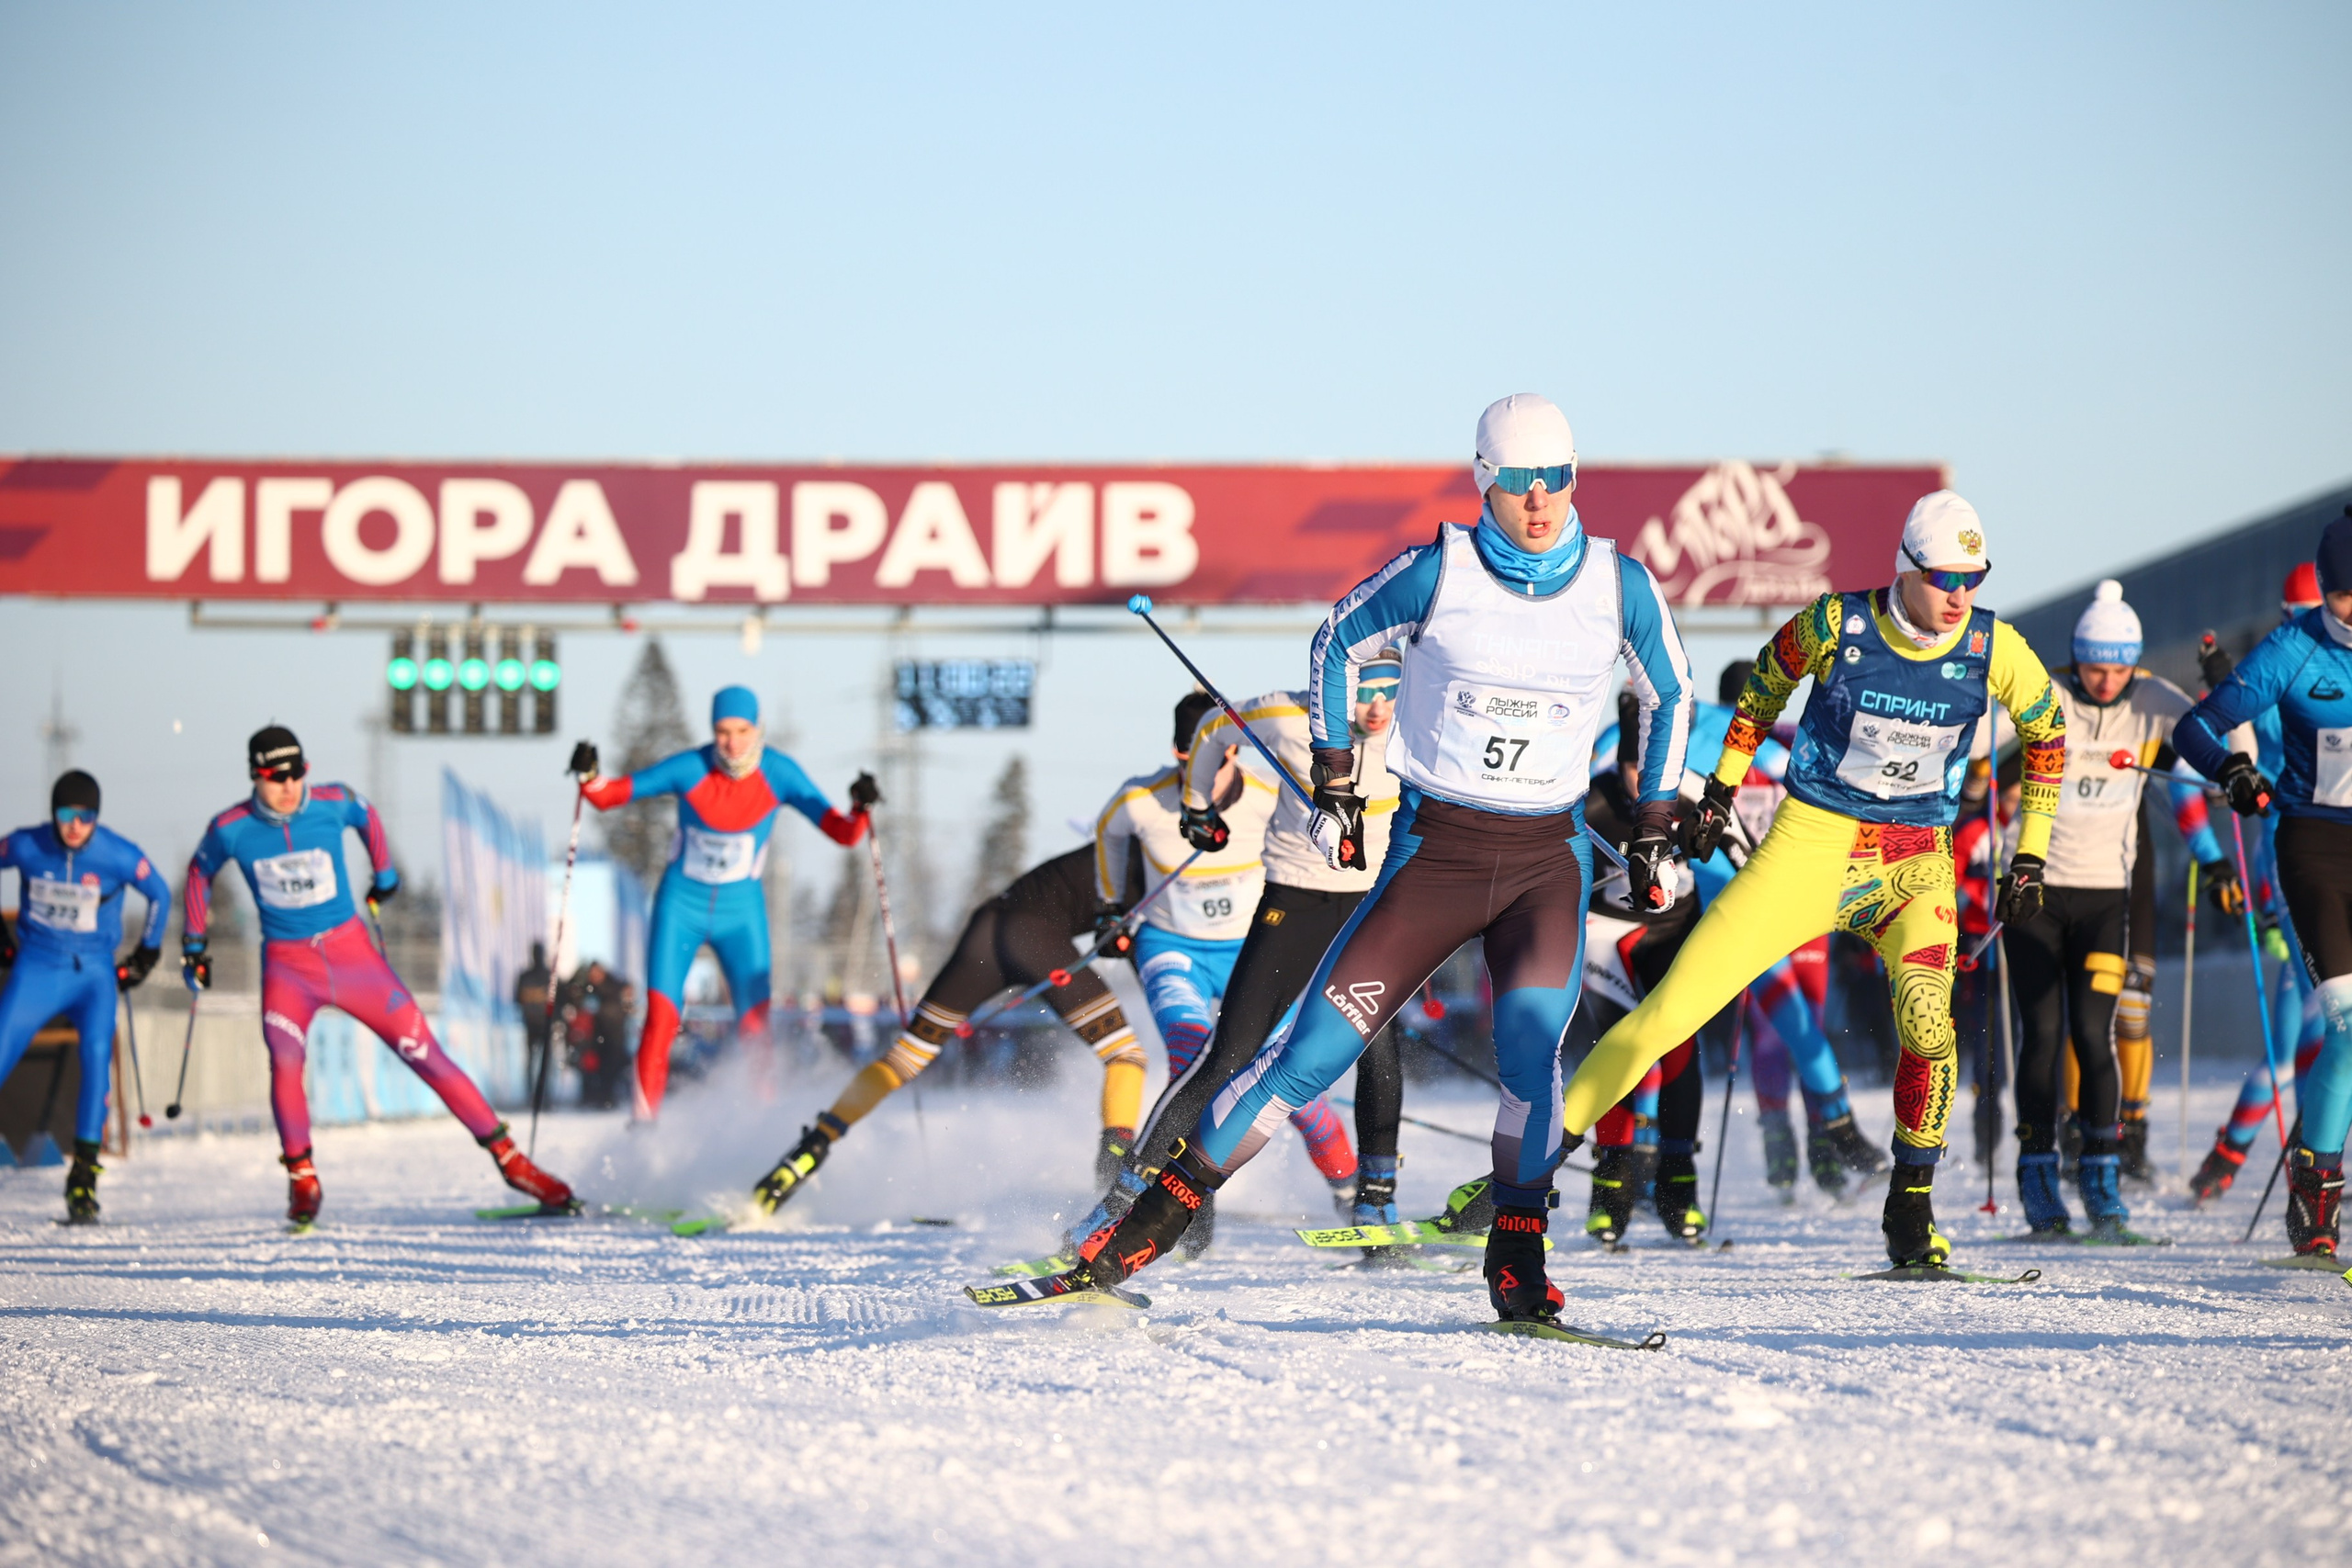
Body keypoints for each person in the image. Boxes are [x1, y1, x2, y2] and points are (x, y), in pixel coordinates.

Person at [1054, 393, 1693, 1325]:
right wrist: (1336, 780)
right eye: (1519, 482)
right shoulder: (1440, 569)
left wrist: (1653, 821)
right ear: (1485, 479)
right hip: (1438, 854)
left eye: (1556, 478)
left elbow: (1669, 693)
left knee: (1531, 1059)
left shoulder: (1617, 583)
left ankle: (1517, 1256)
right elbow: (1336, 641)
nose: (1540, 500)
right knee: (1305, 1057)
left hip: (1542, 866)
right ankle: (1147, 1222)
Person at [1559, 491, 2067, 1270]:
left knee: (1930, 1023)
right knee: (1669, 1012)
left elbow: (2048, 730)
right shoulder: (1839, 623)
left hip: (1912, 860)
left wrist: (2029, 854)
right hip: (1812, 844)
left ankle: (1910, 1207)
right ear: (1906, 567)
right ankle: (1522, 1177)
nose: (1960, 595)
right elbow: (1764, 685)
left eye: (1975, 577)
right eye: (1944, 578)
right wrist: (1723, 788)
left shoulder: (1994, 646)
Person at [1060, 660, 1404, 1268]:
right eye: (1365, 694)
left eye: (1391, 693)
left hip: (1370, 909)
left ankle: (1375, 1202)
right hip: (1293, 905)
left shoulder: (1414, 726)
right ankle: (1120, 1203)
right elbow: (1216, 728)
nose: (1379, 709)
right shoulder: (1286, 715)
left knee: (1375, 1048)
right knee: (1228, 1054)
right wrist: (1196, 807)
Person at [183, 727, 573, 1224]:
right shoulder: (231, 828)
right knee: (284, 1061)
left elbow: (366, 814)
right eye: (275, 777)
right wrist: (194, 945)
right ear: (254, 776)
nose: (289, 786)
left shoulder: (331, 802)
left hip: (354, 962)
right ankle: (302, 1177)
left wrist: (385, 876)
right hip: (288, 970)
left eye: (297, 772)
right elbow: (199, 872)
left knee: (426, 1054)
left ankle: (512, 1162)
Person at [2004, 580, 2244, 1236]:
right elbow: (1974, 735)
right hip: (2036, 896)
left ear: (2133, 663)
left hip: (2105, 898)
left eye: (2117, 667)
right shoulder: (2046, 692)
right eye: (2093, 666)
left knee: (2094, 1031)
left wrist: (2224, 692)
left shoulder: (2150, 699)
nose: (2105, 681)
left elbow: (2223, 740)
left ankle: (2103, 1174)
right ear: (2075, 658)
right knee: (2043, 1037)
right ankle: (2038, 1171)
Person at [740, 840, 1147, 1216]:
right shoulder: (1163, 855)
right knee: (1126, 1055)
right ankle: (1113, 1183)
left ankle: (810, 1149)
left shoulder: (1134, 830)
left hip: (987, 927)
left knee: (906, 1056)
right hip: (1035, 935)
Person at [2175, 511, 2352, 1258]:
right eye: (2347, 595)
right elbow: (2192, 731)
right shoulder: (2293, 649)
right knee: (2346, 1020)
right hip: (2314, 846)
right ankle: (2315, 1195)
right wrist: (2235, 771)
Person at [572, 685, 875, 1121]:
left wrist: (860, 807)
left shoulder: (779, 773)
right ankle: (643, 1127)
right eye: (722, 732)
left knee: (755, 1026)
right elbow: (608, 795)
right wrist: (589, 775)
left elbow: (843, 833)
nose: (732, 742)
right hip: (681, 908)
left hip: (741, 916)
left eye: (742, 730)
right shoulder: (691, 767)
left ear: (759, 729)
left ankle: (761, 1129)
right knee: (661, 1018)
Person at [2188, 562, 2327, 1201]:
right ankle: (2302, 1160)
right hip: (2290, 864)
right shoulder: (2279, 671)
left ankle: (2235, 1151)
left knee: (2307, 1025)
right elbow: (2225, 748)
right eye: (2295, 619)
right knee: (2313, 1020)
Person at [0, 771, 169, 1223]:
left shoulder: (117, 853)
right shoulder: (27, 844)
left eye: (86, 816)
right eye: (66, 814)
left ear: (97, 817)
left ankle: (83, 1181)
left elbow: (160, 894)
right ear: (52, 814)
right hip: (37, 967)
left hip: (93, 974)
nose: (75, 825)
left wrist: (145, 955)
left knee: (97, 1059)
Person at [514, 939, 554, 1101]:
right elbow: (517, 998)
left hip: (545, 1025)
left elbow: (557, 1000)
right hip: (532, 1024)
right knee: (533, 1062)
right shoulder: (526, 976)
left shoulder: (549, 976)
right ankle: (533, 1095)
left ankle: (544, 1095)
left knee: (544, 1063)